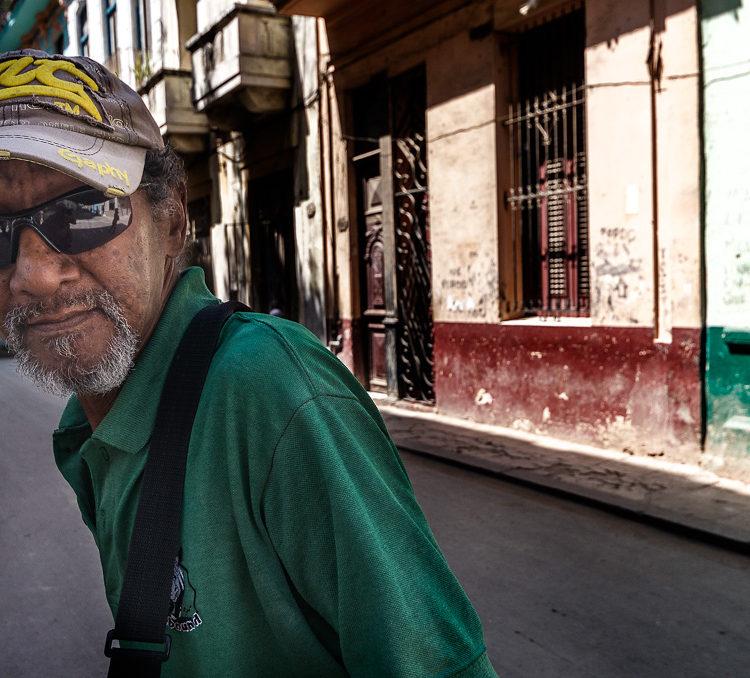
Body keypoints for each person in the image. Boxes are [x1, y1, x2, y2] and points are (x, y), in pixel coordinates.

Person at [0, 50, 497, 677]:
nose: (35, 275)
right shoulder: (91, 421)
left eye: (86, 210)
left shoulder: (268, 387)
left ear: (172, 221)